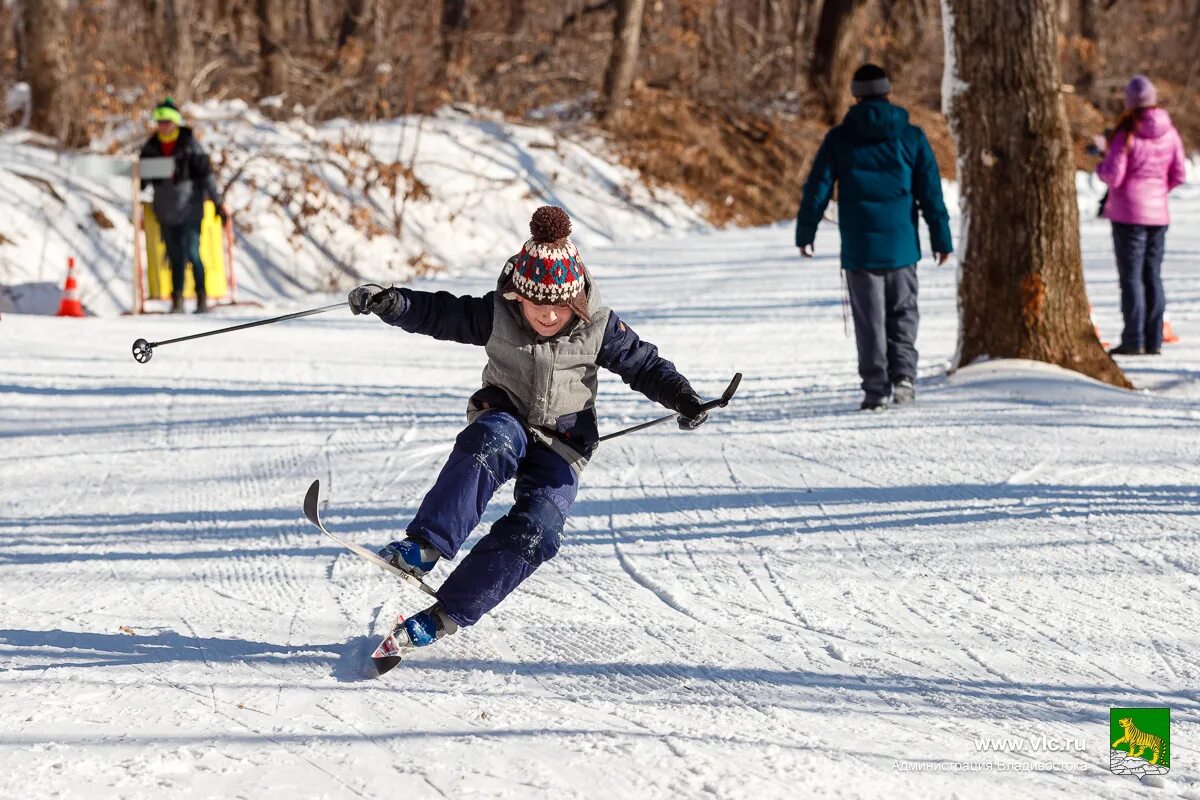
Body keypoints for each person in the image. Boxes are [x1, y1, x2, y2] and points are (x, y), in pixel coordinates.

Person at [347, 206, 709, 649]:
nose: (551, 317)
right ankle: (424, 547)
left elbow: (645, 365)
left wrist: (683, 398)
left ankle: (446, 614)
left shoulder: (600, 327)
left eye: (560, 308)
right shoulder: (497, 313)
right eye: (540, 305)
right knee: (489, 442)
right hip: (507, 416)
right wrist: (393, 302)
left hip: (564, 443)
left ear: (575, 301)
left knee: (540, 528)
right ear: (520, 296)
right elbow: (439, 313)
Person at [795, 64, 952, 411]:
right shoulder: (911, 136)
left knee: (869, 321)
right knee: (904, 312)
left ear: (855, 96)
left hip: (859, 247)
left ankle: (876, 389)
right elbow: (931, 192)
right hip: (902, 246)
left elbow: (817, 188)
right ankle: (904, 377)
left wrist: (806, 231)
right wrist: (941, 239)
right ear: (888, 93)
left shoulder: (839, 138)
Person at [1095, 75, 1187, 356]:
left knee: (1131, 277)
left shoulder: (1127, 132)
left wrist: (1101, 163)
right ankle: (1154, 339)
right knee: (1152, 275)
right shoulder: (1169, 132)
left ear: (1130, 102)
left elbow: (1113, 174)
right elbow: (1179, 173)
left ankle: (1134, 339)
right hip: (1158, 215)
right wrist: (1158, 192)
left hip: (1128, 214)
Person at [139, 98, 229, 314]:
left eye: (167, 122)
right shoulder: (151, 147)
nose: (163, 126)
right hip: (165, 211)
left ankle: (201, 298)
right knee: (175, 256)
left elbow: (206, 176)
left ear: (175, 122)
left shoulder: (190, 145)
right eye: (159, 122)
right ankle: (176, 300)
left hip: (190, 209)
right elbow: (141, 178)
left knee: (192, 253)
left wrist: (217, 203)